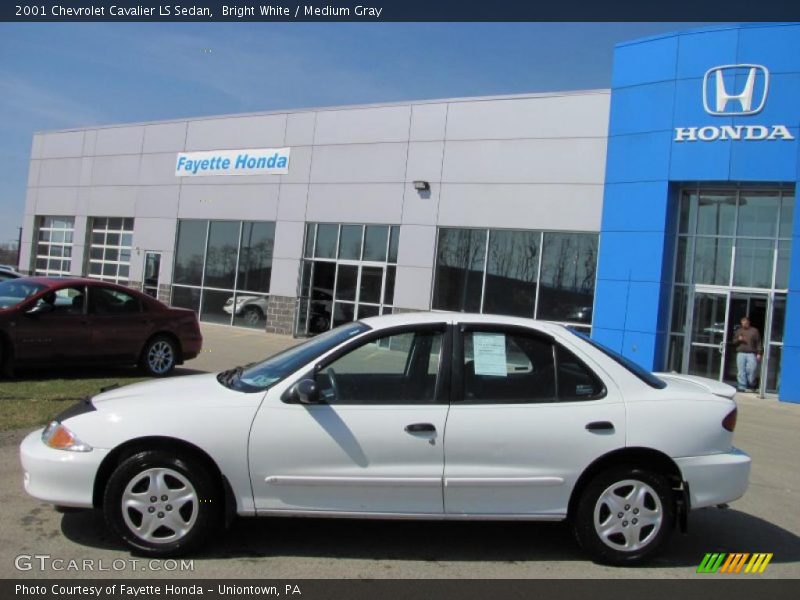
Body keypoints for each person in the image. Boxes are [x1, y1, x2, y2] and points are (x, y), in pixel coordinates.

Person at [732, 316, 762, 392]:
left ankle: (752, 384)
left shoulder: (754, 331)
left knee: (752, 369)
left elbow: (758, 342)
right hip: (740, 353)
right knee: (741, 370)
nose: (744, 324)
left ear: (749, 322)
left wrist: (759, 353)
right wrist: (738, 340)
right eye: (743, 322)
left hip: (751, 353)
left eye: (745, 322)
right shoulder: (739, 331)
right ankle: (742, 386)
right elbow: (734, 342)